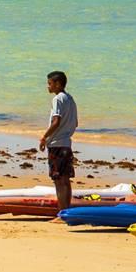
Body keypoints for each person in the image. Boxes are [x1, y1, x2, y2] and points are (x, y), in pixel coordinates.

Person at [38, 71, 79, 210]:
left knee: (58, 181)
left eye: (49, 83)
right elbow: (75, 123)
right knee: (65, 180)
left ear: (58, 84)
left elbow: (56, 121)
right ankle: (66, 212)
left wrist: (44, 137)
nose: (48, 86)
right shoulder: (70, 99)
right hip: (67, 144)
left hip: (57, 145)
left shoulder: (57, 99)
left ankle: (62, 213)